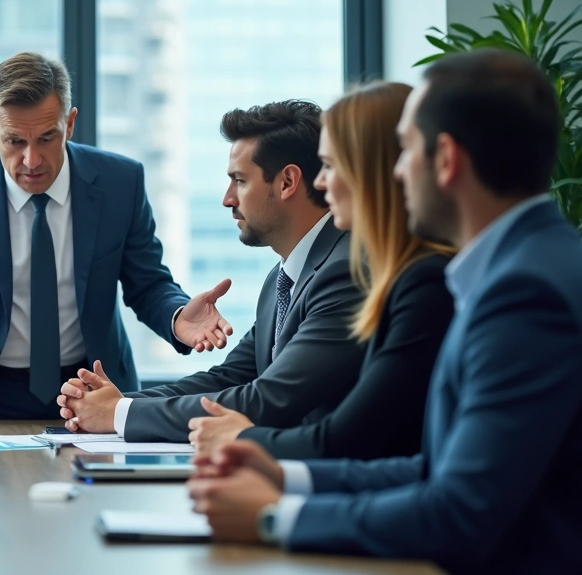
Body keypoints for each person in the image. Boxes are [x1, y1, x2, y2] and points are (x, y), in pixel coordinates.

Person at [189, 49, 582, 574]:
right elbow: (437, 469)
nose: (396, 172)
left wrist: (274, 516)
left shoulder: (524, 294)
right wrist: (283, 476)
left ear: (446, 160)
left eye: (404, 151)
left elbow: (458, 512)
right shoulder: (529, 264)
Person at [0, 51, 210, 420]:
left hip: (90, 388)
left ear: (70, 124)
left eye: (47, 138)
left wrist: (177, 316)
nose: (32, 160)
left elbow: (148, 283)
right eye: (14, 142)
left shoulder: (121, 183)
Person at [58, 101, 367, 442]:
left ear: (287, 182)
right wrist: (111, 405)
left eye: (240, 181)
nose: (227, 199)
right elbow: (229, 379)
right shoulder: (283, 279)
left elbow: (266, 399)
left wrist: (117, 413)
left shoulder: (344, 273)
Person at [187, 82, 455, 460]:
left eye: (330, 165)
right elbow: (233, 379)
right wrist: (118, 408)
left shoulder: (404, 279)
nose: (321, 183)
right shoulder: (298, 278)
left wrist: (243, 440)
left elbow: (347, 438)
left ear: (375, 171)